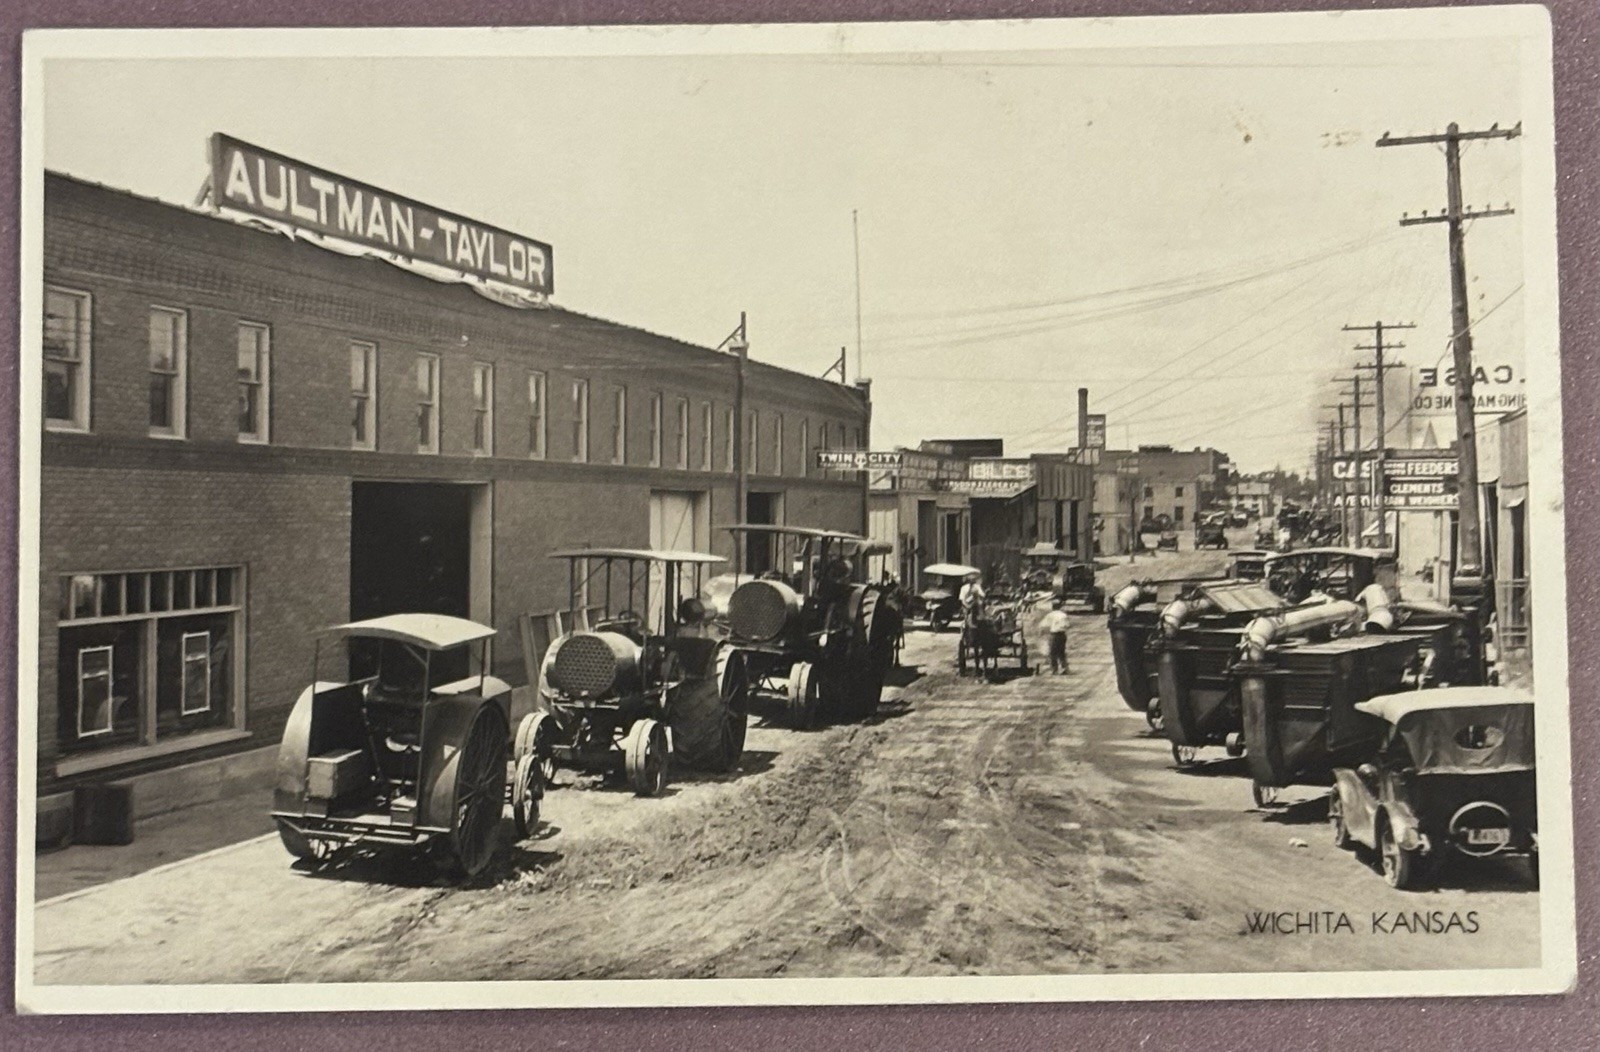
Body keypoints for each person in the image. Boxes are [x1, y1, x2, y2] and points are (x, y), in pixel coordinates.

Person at [1042, 598, 1072, 674]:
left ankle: (1054, 670)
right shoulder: (1063, 615)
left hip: (1054, 635)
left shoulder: (1050, 615)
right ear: (1060, 606)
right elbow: (1068, 625)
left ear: (1052, 606)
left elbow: (1044, 625)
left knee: (1052, 653)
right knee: (1061, 652)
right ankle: (1065, 668)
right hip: (1062, 635)